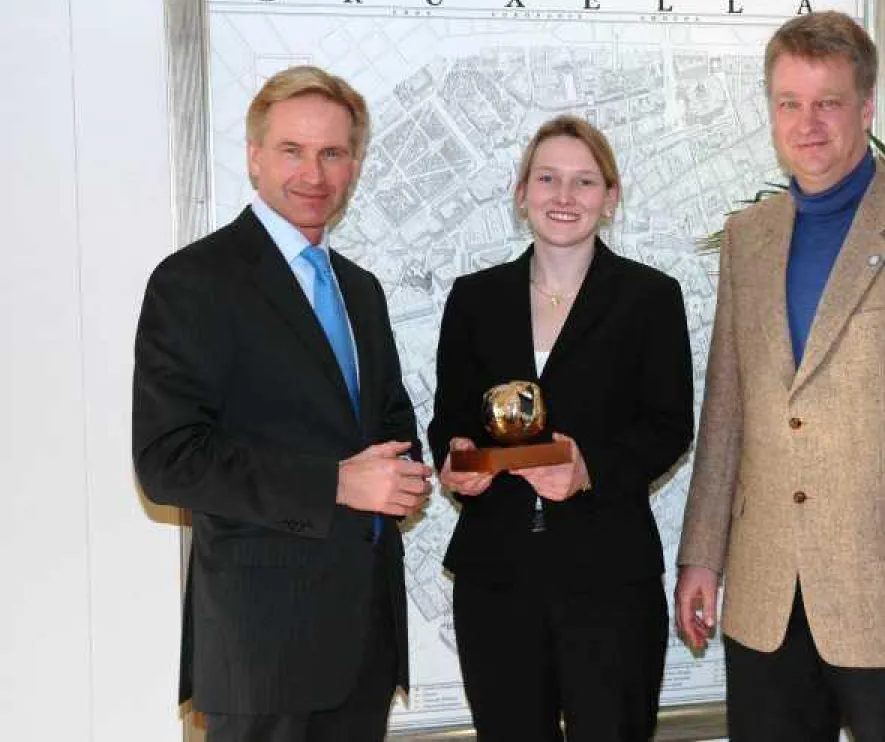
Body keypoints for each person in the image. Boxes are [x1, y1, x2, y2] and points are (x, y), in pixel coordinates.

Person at [675, 11, 885, 741]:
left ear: (865, 108)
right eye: (789, 104)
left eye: (828, 102)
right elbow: (728, 411)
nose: (808, 124)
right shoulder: (748, 237)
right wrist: (701, 555)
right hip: (767, 595)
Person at [133, 65, 433, 742]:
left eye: (332, 153)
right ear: (254, 157)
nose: (313, 174)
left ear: (354, 165)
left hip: (365, 643)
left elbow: (387, 424)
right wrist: (338, 483)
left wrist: (406, 476)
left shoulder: (361, 290)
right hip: (262, 647)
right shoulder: (193, 282)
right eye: (292, 151)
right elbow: (168, 461)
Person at [428, 114, 695, 741]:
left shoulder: (651, 297)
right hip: (496, 577)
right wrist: (456, 456)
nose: (564, 196)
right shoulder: (474, 297)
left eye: (584, 182)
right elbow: (450, 418)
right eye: (547, 178)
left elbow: (669, 425)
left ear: (611, 197)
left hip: (609, 576)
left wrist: (588, 468)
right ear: (522, 194)